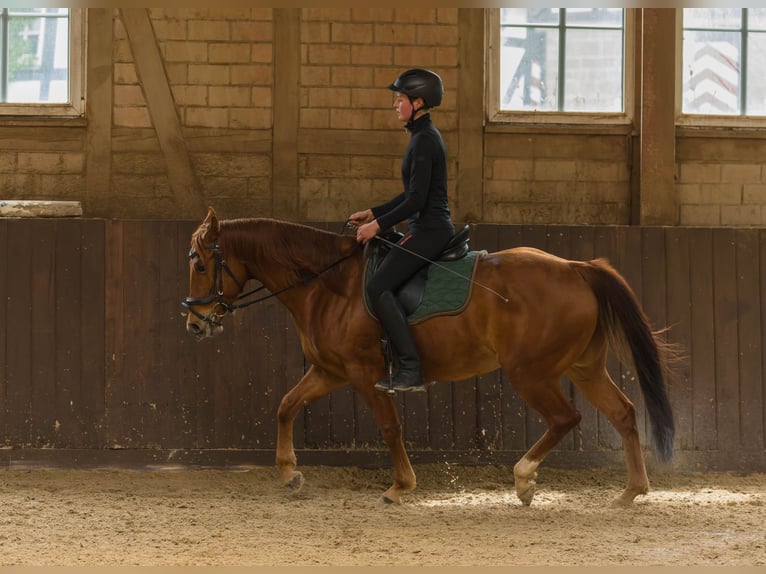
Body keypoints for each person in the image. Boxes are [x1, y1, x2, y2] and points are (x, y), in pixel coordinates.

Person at [349, 68, 455, 393]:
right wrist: (375, 212)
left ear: (418, 102)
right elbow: (410, 194)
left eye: (400, 98)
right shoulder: (421, 137)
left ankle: (410, 368)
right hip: (425, 226)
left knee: (378, 285)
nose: (396, 104)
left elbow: (417, 201)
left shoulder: (424, 141)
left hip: (431, 230)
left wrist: (376, 226)